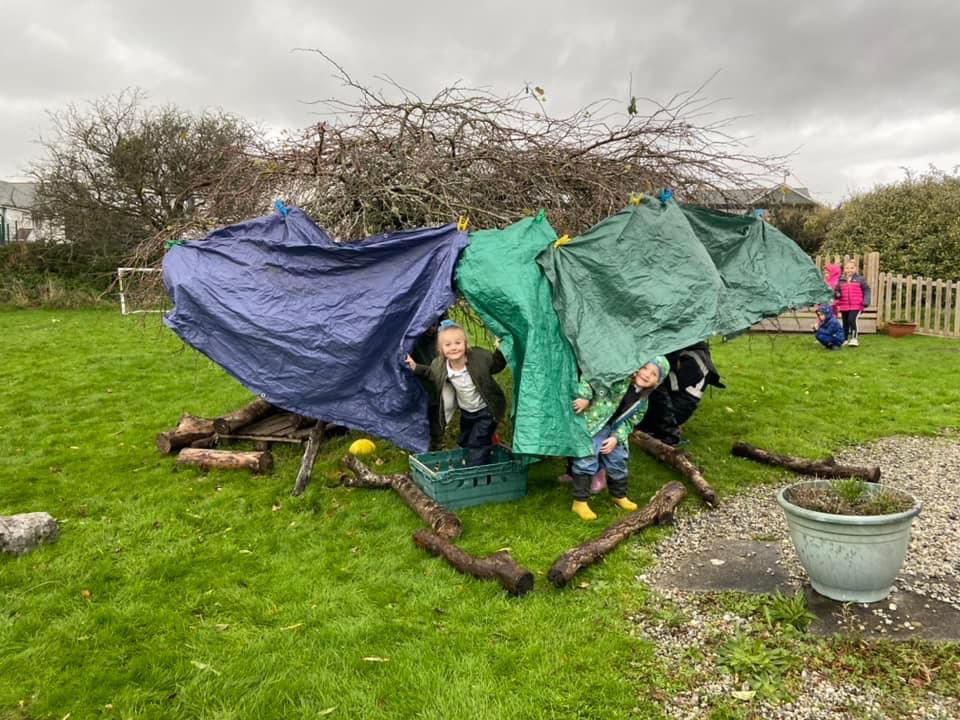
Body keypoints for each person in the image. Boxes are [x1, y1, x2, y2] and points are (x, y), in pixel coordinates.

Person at [568, 357, 670, 521]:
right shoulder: (618, 378)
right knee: (587, 458)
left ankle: (619, 495)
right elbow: (592, 377)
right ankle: (579, 502)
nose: (646, 375)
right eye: (645, 368)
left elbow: (630, 422)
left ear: (657, 382)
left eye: (654, 374)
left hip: (614, 429)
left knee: (618, 459)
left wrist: (616, 437)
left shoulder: (642, 401)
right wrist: (585, 397)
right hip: (594, 424)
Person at [405, 320, 506, 466]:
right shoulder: (440, 365)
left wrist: (500, 350)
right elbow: (431, 373)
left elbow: (496, 365)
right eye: (448, 345)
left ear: (465, 344)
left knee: (477, 442)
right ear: (441, 349)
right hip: (467, 413)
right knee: (465, 440)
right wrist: (415, 367)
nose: (454, 348)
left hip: (486, 411)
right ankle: (476, 458)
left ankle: (475, 469)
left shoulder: (478, 357)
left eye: (458, 343)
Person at [636, 342, 724, 446]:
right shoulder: (686, 349)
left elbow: (672, 384)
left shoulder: (697, 358)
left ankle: (669, 433)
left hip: (677, 409)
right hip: (674, 401)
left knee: (654, 382)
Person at [834, 260, 871, 347]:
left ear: (855, 269)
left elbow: (867, 290)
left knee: (852, 320)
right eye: (847, 268)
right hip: (844, 305)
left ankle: (854, 339)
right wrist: (836, 294)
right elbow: (836, 291)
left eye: (851, 268)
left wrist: (866, 301)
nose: (849, 270)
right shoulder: (841, 280)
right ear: (844, 269)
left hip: (856, 305)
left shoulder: (860, 279)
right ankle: (845, 339)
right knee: (845, 322)